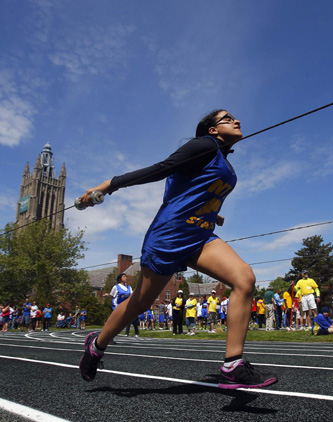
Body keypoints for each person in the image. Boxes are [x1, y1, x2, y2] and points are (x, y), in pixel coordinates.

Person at [78, 110, 276, 389]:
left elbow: (188, 189)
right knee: (140, 303)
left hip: (200, 236)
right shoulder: (204, 146)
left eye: (235, 117)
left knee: (244, 278)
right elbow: (162, 169)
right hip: (169, 237)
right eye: (227, 118)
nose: (237, 120)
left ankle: (233, 366)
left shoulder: (220, 158)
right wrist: (110, 185)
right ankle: (96, 346)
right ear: (212, 130)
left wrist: (212, 213)